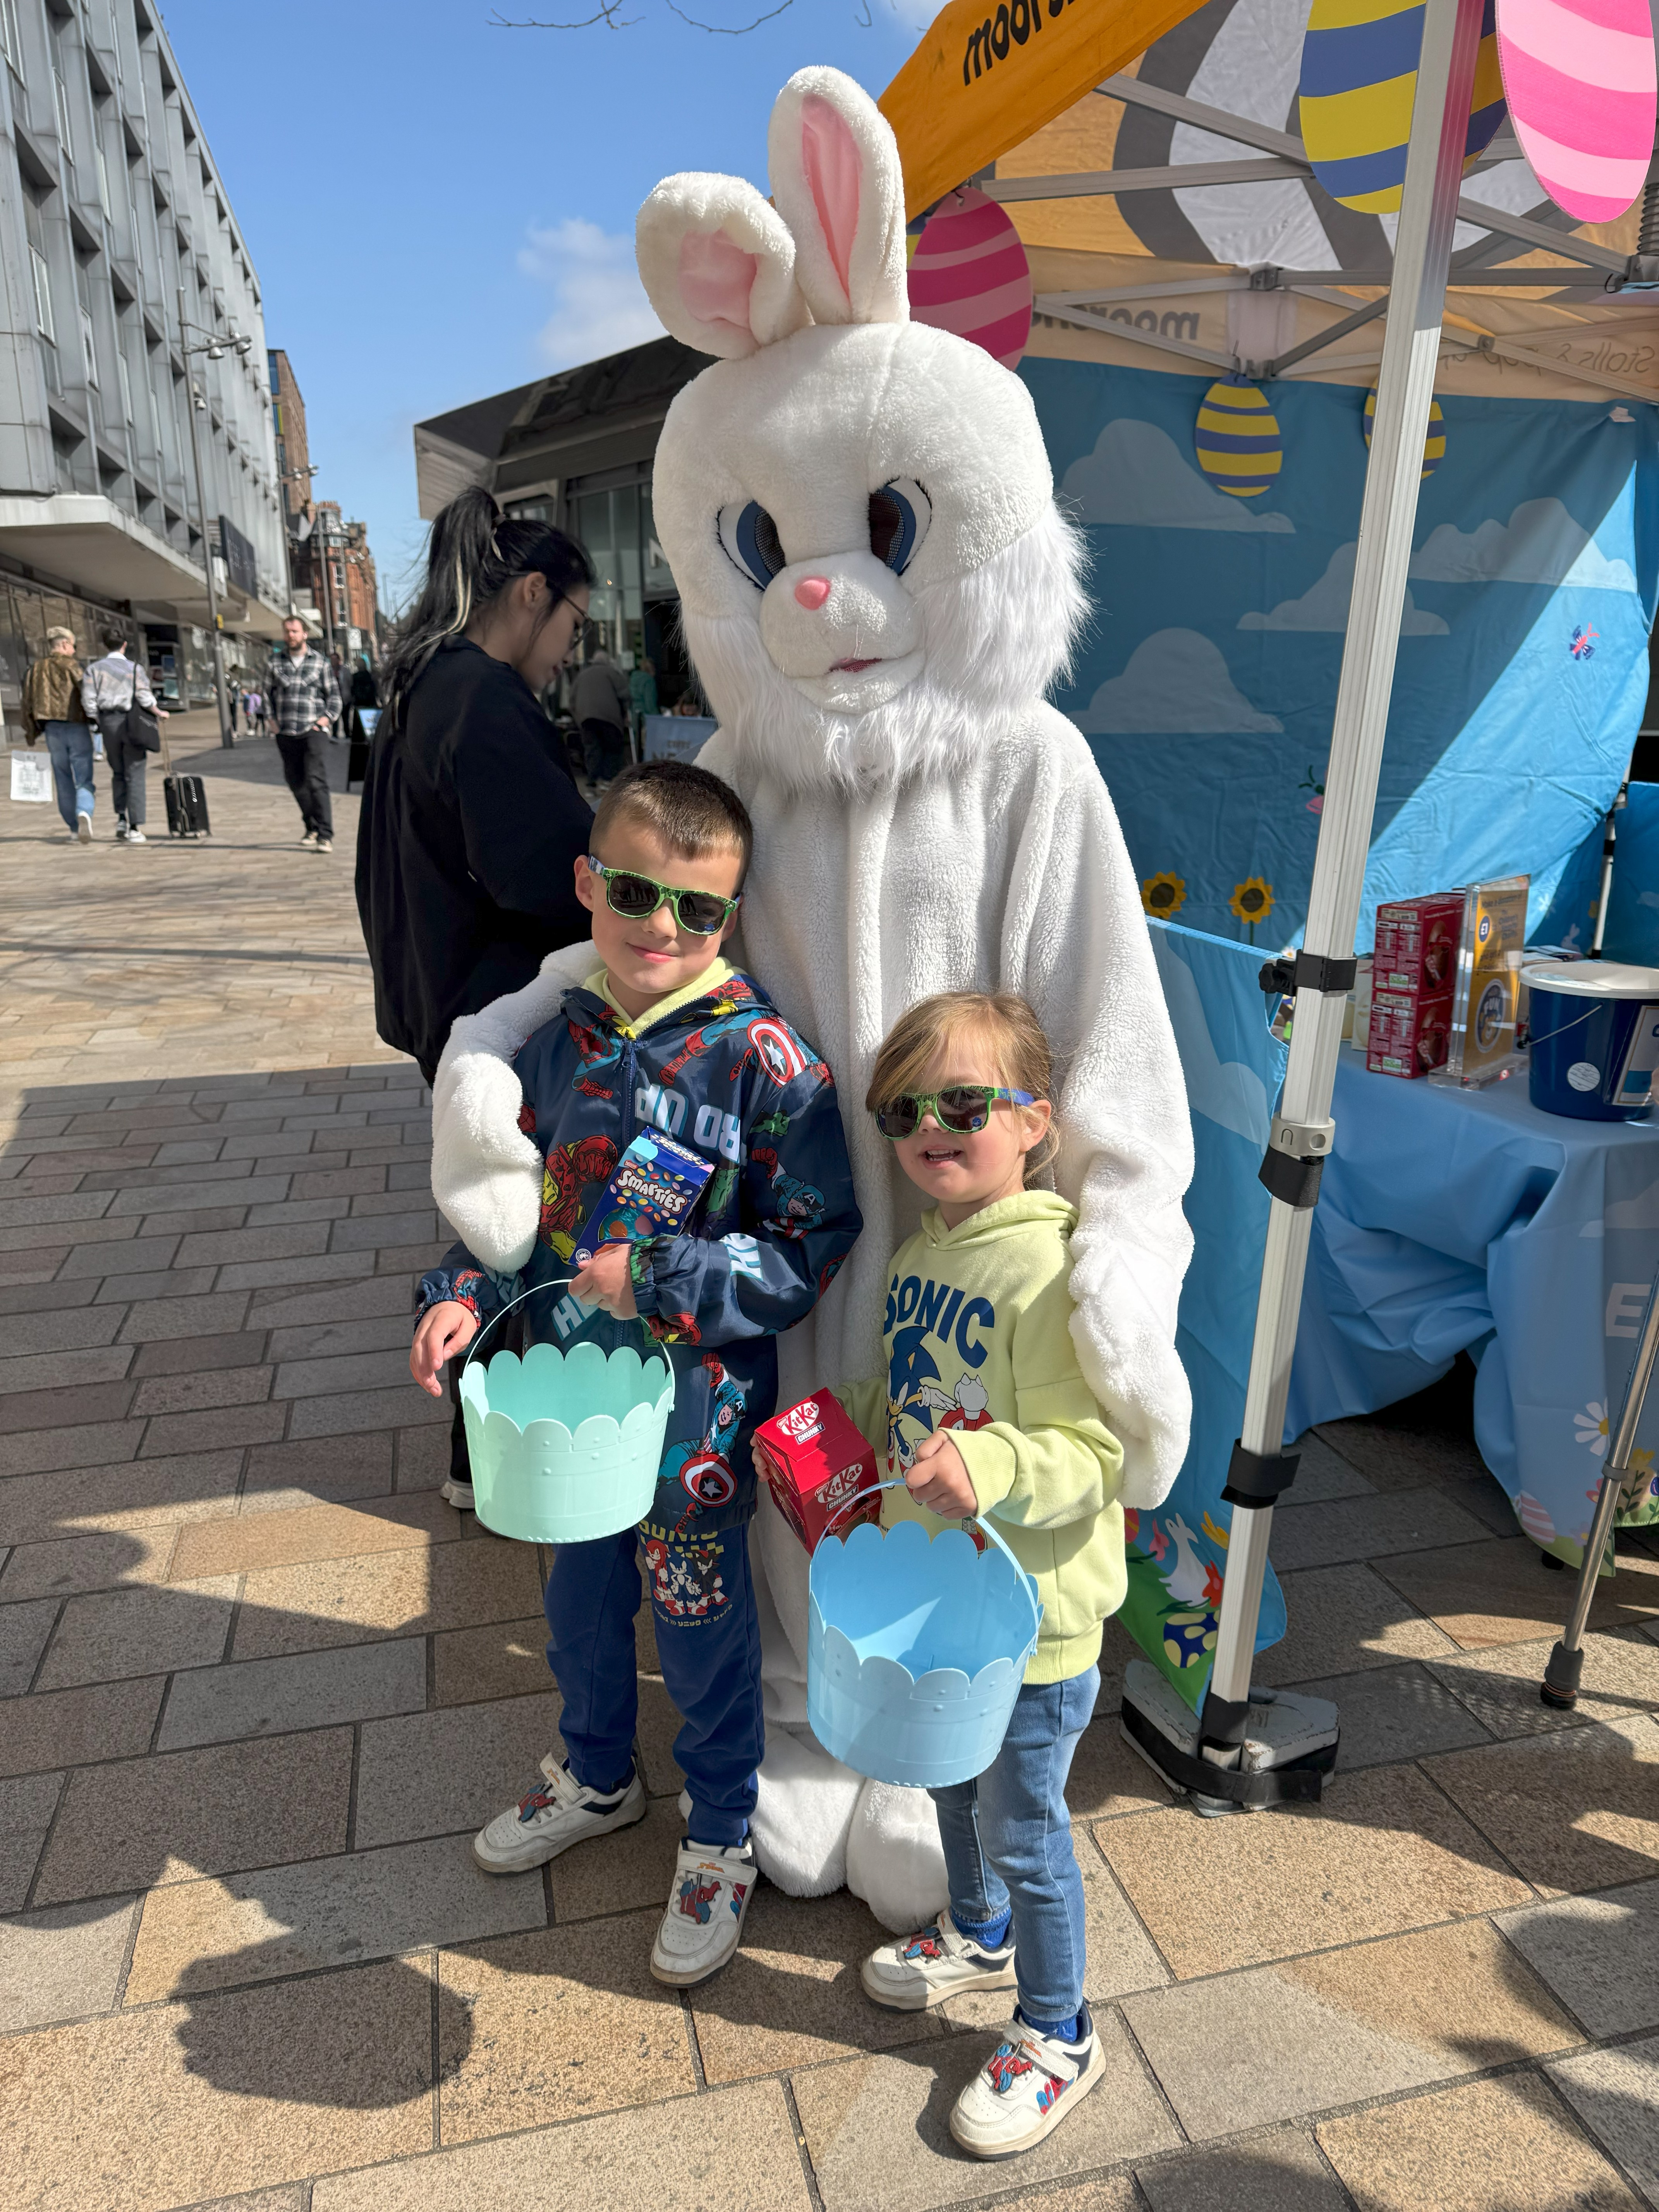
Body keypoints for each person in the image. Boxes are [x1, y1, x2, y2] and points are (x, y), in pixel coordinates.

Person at [410, 761, 860, 1987]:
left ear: (734, 911)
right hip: (564, 1402)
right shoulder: (554, 1048)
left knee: (699, 1617)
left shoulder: (768, 1063)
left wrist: (664, 1274)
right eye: (634, 892)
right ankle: (598, 1771)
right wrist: (457, 1296)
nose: (663, 927)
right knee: (575, 1596)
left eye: (699, 908)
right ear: (585, 883)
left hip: (696, 1421)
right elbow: (512, 1219)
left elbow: (815, 1235)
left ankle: (720, 1832)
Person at [839, 992, 1124, 2160]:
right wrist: (838, 1439)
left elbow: (1094, 1456)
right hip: (948, 1601)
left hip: (1036, 1619)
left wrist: (990, 1461)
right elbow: (910, 1401)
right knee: (952, 1787)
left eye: (965, 1101)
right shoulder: (922, 1252)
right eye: (907, 1107)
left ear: (1036, 1123)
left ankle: (1061, 2028)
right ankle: (976, 1932)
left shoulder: (1050, 1266)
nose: (932, 1126)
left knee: (1023, 1822)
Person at [357, 486, 598, 1511]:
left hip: (443, 1002)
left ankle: (477, 1452)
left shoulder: (426, 683)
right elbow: (549, 876)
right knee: (516, 1226)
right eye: (573, 625)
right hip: (500, 1010)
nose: (569, 652)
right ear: (534, 593)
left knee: (493, 1210)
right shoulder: (486, 702)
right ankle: (501, 1457)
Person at [82, 627, 169, 844]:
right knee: (135, 773)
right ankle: (135, 826)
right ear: (125, 645)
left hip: (108, 723)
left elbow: (89, 700)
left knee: (118, 771)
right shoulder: (134, 669)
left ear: (105, 645)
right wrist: (158, 712)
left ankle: (121, 818)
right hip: (132, 724)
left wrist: (97, 719)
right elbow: (144, 696)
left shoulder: (94, 669)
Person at [268, 616, 341, 852]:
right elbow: (267, 696)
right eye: (287, 632)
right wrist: (272, 723)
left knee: (315, 779)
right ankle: (311, 826)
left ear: (305, 634)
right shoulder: (274, 663)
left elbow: (335, 698)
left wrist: (324, 721)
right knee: (296, 781)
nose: (291, 635)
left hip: (313, 730)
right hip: (286, 732)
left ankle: (325, 834)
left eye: (295, 631)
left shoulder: (320, 663)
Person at [22, 625, 96, 842]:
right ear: (64, 644)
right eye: (73, 646)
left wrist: (30, 733)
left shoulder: (36, 669)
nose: (74, 651)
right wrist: (96, 721)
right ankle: (84, 811)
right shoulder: (74, 667)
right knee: (83, 778)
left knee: (62, 778)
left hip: (52, 730)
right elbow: (87, 694)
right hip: (77, 727)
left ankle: (73, 828)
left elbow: (26, 702)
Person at [570, 638, 632, 789]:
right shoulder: (612, 673)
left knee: (592, 749)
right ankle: (608, 780)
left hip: (586, 719)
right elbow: (625, 695)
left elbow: (572, 701)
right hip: (610, 718)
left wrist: (579, 719)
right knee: (612, 749)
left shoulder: (582, 676)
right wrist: (625, 715)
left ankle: (592, 781)